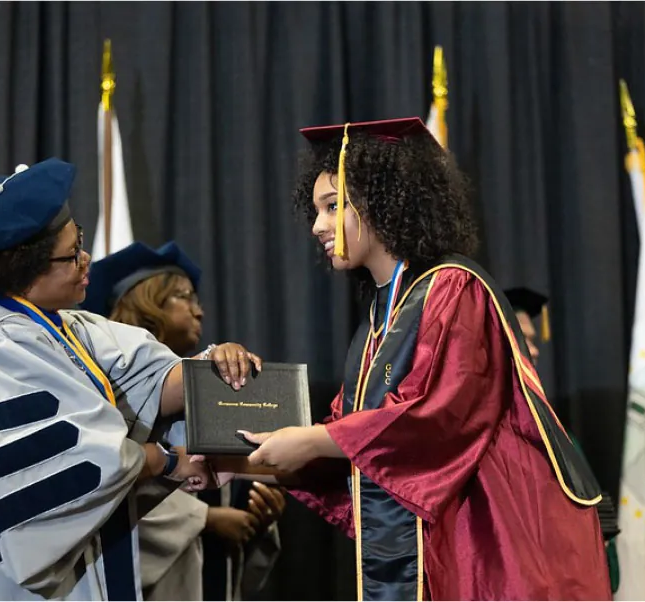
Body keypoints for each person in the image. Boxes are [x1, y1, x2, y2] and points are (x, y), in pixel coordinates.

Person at [223, 118, 613, 600]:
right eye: (315, 209)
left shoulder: (453, 287)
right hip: (444, 534)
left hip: (491, 534)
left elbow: (435, 417)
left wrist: (313, 440)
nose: (317, 225)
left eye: (333, 206)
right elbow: (350, 437)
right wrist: (238, 460)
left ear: (385, 201)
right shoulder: (381, 316)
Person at [0, 159, 260, 601]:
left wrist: (213, 367)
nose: (87, 260)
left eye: (79, 239)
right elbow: (80, 462)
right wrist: (168, 460)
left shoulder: (51, 324)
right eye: (71, 254)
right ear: (21, 271)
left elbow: (149, 378)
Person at [82, 242, 285, 601]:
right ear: (146, 304)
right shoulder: (106, 397)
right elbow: (105, 491)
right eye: (184, 298)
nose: (200, 311)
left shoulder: (211, 392)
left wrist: (256, 518)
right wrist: (205, 519)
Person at [505, 286, 621, 594]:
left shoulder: (557, 434)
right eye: (525, 339)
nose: (537, 349)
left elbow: (604, 546)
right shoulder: (485, 438)